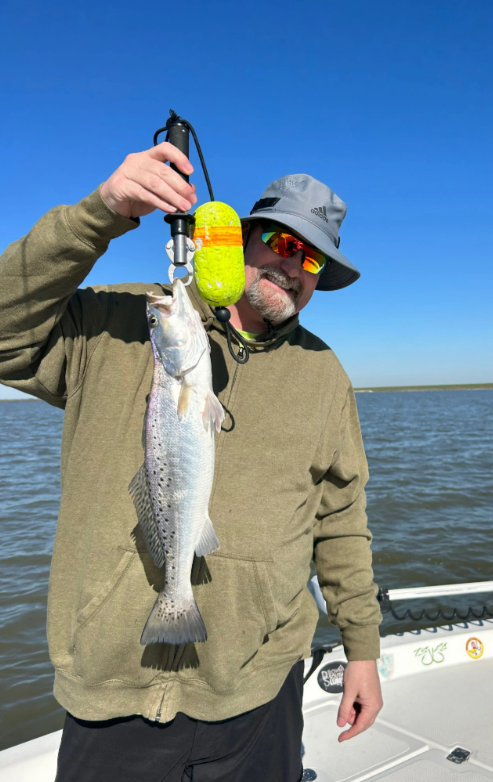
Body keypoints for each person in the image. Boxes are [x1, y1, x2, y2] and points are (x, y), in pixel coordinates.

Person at [0, 142, 383, 781]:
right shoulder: (121, 320)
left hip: (260, 687)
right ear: (239, 240)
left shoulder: (324, 375)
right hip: (114, 690)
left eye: (312, 259)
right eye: (282, 243)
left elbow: (341, 520)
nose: (294, 267)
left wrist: (362, 649)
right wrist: (101, 213)